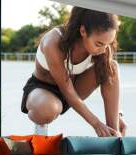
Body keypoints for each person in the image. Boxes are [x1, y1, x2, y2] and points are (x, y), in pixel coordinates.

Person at [21, 6, 127, 137]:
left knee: (111, 67)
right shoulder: (53, 41)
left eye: (108, 44)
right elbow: (67, 90)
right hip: (43, 90)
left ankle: (113, 137)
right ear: (83, 31)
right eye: (99, 44)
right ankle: (40, 123)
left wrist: (118, 115)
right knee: (48, 109)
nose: (104, 49)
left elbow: (110, 80)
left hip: (73, 88)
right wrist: (96, 124)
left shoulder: (102, 46)